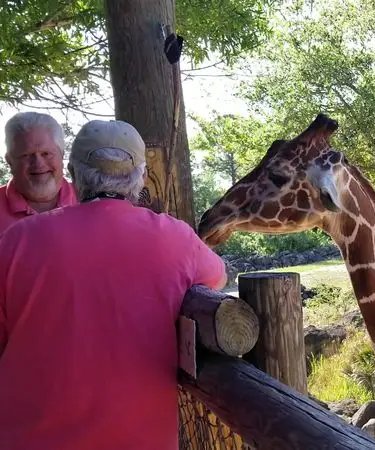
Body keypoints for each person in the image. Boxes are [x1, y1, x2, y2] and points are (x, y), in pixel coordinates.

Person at [0, 119, 227, 450]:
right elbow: (217, 278)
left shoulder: (15, 241)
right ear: (141, 178)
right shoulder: (174, 237)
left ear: (74, 175)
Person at [1, 111, 77, 232]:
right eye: (26, 155)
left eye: (46, 154)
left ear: (62, 155)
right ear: (9, 161)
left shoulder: (89, 200)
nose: (38, 163)